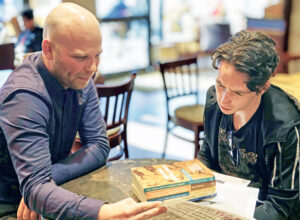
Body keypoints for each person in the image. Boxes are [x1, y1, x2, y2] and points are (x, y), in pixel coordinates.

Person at [0, 3, 166, 219]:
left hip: (46, 190)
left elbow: (99, 146)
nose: (92, 68)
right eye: (80, 57)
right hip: (10, 206)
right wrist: (101, 212)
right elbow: (36, 189)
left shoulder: (78, 75)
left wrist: (44, 182)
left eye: (97, 55)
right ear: (48, 49)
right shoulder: (24, 96)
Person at [198, 30, 300, 220]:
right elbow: (207, 155)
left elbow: (281, 207)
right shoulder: (214, 100)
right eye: (220, 85)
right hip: (222, 204)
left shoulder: (285, 129)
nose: (223, 99)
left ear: (263, 87)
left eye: (237, 92)